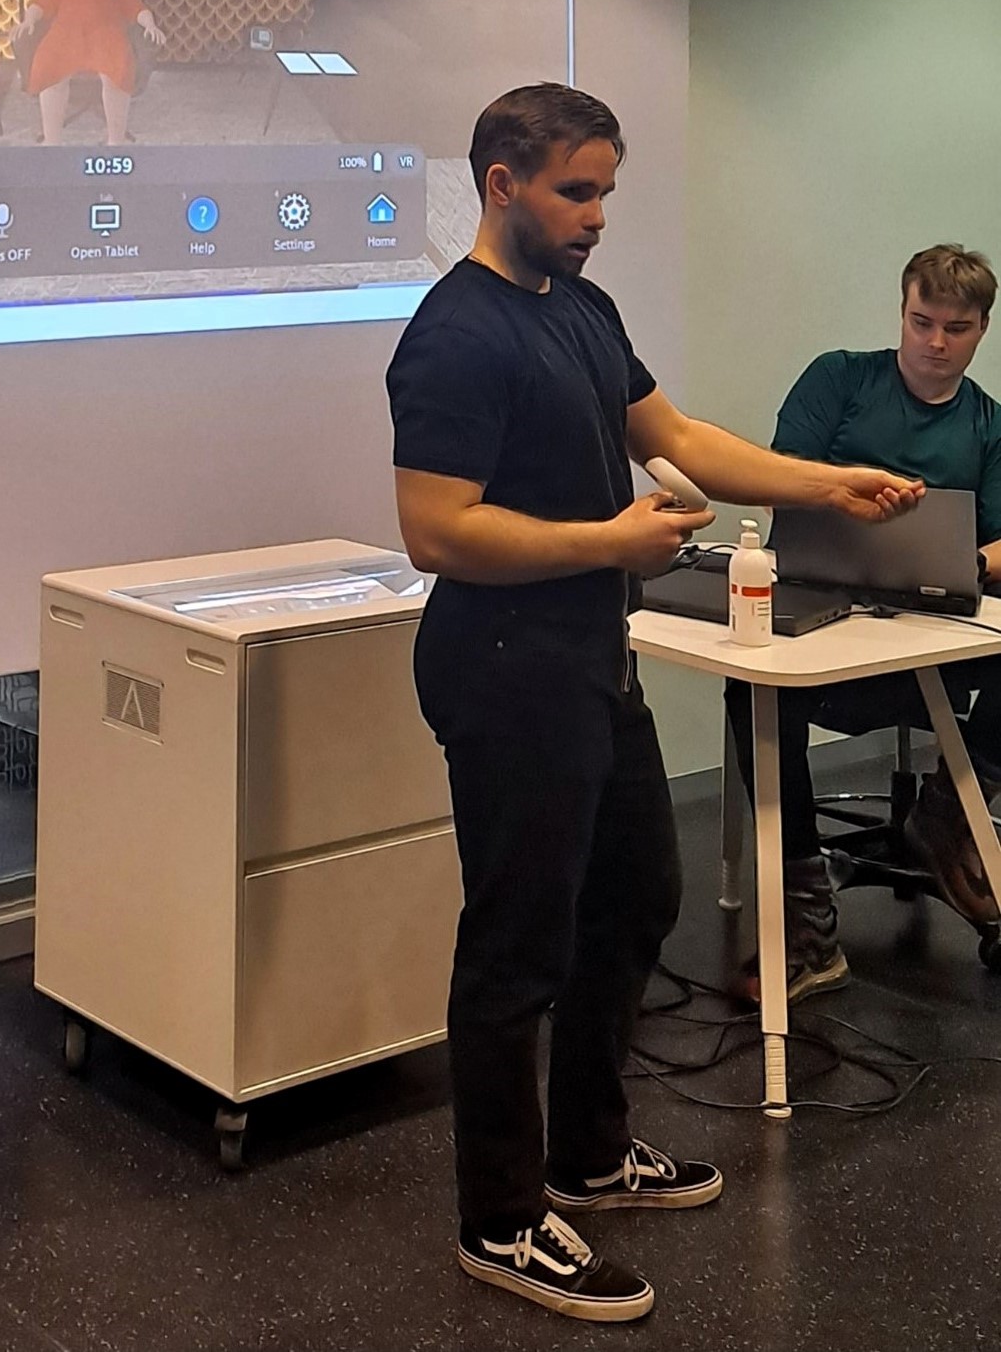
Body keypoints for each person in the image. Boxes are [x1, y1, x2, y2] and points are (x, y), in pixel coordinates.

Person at [385, 82, 921, 1323]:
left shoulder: (579, 309)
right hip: (503, 667)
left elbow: (672, 432)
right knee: (515, 946)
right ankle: (499, 1220)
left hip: (586, 655)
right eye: (575, 191)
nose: (596, 215)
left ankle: (585, 1152)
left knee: (633, 895)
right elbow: (434, 531)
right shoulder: (453, 335)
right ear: (500, 185)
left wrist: (825, 483)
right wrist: (608, 543)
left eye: (606, 192)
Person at [725, 244, 1001, 1005]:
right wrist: (847, 496)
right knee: (753, 688)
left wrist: (967, 563)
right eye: (921, 322)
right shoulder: (840, 380)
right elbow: (780, 477)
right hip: (821, 620)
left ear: (981, 329)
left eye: (956, 328)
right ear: (901, 313)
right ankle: (808, 916)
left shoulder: (988, 424)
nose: (935, 342)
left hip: (930, 638)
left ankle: (950, 814)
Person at [12, 0, 165, 145]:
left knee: (118, 71)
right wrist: (28, 21)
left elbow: (135, 7)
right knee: (50, 68)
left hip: (106, 34)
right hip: (66, 34)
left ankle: (115, 142)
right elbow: (42, 4)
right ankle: (52, 142)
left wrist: (150, 24)